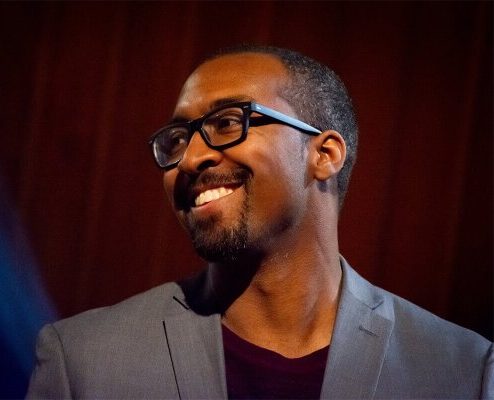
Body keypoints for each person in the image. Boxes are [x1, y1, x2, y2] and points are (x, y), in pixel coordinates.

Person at [26, 44, 492, 399]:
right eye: (177, 139)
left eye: (228, 122)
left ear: (324, 154)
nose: (190, 159)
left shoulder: (463, 371)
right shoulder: (83, 361)